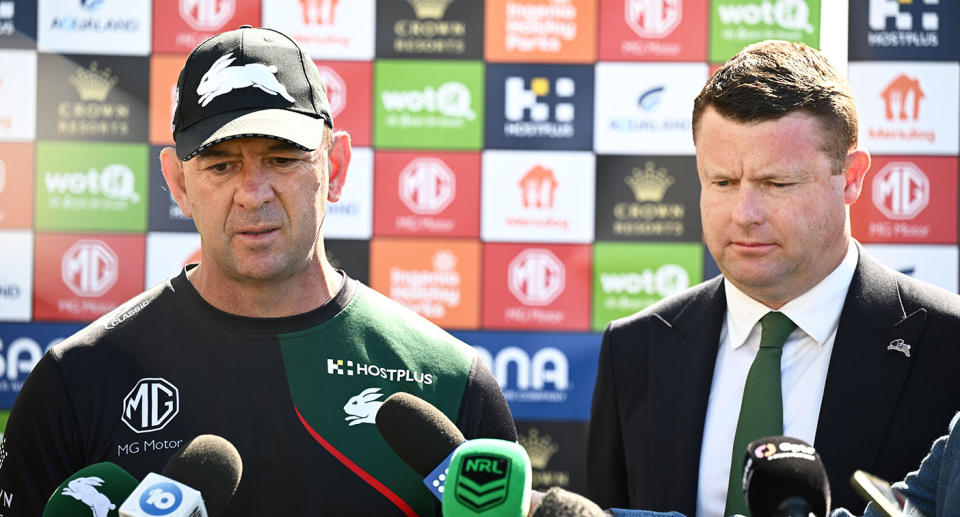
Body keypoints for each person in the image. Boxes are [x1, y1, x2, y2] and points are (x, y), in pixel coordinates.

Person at [0, 26, 516, 516]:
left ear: (334, 168)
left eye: (283, 159)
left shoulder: (452, 382)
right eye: (221, 165)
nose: (253, 193)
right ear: (178, 184)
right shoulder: (75, 381)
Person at [587, 40, 960, 517]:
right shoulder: (635, 349)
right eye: (721, 182)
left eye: (776, 184)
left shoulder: (948, 346)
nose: (744, 214)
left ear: (851, 177)